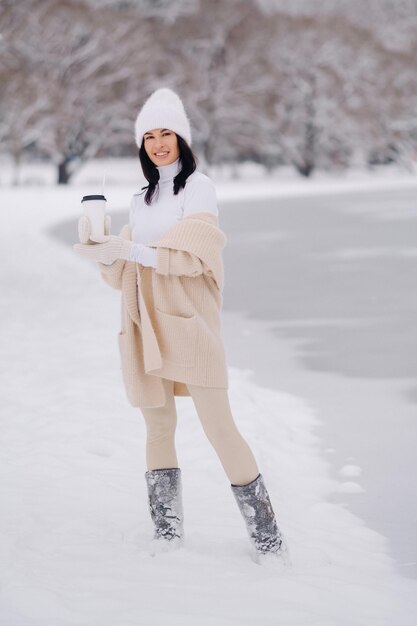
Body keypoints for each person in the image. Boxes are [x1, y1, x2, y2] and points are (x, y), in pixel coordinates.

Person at [74, 87, 287, 562]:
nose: (158, 143)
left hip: (191, 322)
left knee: (220, 428)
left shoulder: (200, 188)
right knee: (157, 425)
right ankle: (167, 538)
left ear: (182, 138)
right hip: (144, 321)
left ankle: (268, 541)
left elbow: (194, 257)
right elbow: (125, 271)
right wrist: (104, 248)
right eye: (148, 136)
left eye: (166, 132)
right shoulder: (139, 198)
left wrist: (131, 251)